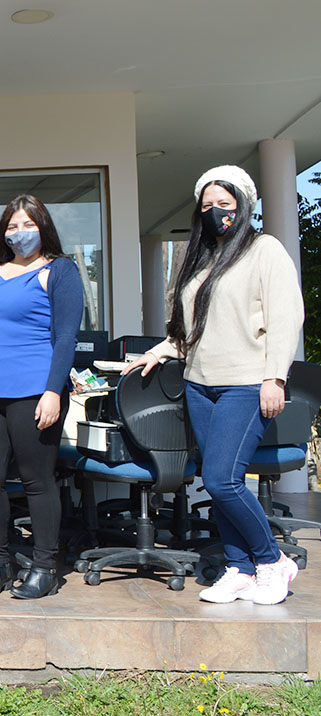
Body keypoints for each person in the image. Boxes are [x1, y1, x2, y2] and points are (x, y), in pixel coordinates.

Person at [125, 166, 305, 606]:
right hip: (200, 384)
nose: (215, 213)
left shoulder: (264, 250)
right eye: (207, 206)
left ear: (244, 205)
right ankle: (239, 567)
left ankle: (271, 559)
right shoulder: (202, 259)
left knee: (222, 480)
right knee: (215, 479)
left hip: (245, 382)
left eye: (224, 205)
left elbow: (286, 317)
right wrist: (162, 351)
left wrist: (274, 377)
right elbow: (193, 329)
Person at [0, 195, 85, 599]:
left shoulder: (59, 270)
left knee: (37, 480)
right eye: (12, 226)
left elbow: (66, 336)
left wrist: (53, 391)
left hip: (34, 390)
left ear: (43, 226)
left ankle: (45, 566)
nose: (19, 233)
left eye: (28, 225)